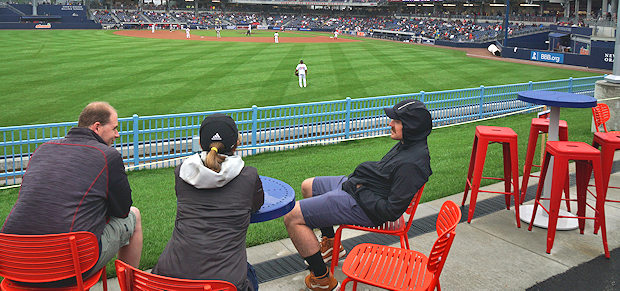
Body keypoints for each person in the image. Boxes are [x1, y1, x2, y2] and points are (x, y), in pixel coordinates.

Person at [283, 99, 432, 291]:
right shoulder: (408, 143)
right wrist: (359, 185)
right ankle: (329, 245)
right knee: (308, 186)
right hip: (359, 189)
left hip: (364, 206)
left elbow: (391, 211)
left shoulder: (412, 164)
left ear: (411, 126)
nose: (390, 123)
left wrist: (360, 190)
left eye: (396, 121)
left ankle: (321, 279)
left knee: (292, 216)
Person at [2, 102, 143, 286]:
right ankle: (130, 287)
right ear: (97, 127)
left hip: (13, 263)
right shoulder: (107, 155)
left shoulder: (43, 149)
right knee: (135, 215)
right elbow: (122, 211)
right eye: (114, 128)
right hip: (69, 267)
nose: (117, 134)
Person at [153, 113, 264, 291]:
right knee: (249, 273)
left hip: (170, 277)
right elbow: (256, 204)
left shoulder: (182, 172)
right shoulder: (249, 176)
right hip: (224, 283)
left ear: (201, 144)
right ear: (236, 144)